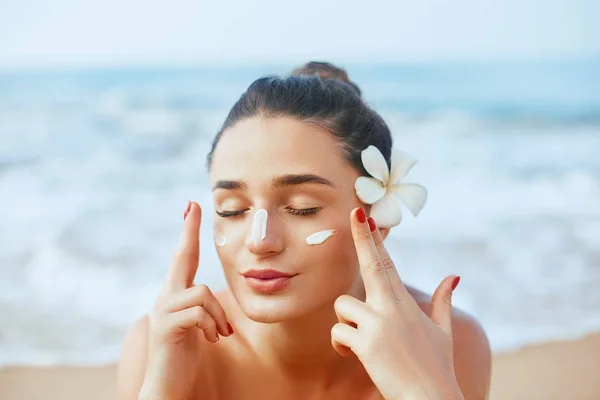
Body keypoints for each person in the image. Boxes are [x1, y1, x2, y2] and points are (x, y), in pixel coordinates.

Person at [117, 62, 492, 400]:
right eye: (232, 210)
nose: (259, 240)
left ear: (378, 212)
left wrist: (423, 391)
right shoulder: (163, 348)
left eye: (302, 208)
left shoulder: (443, 347)